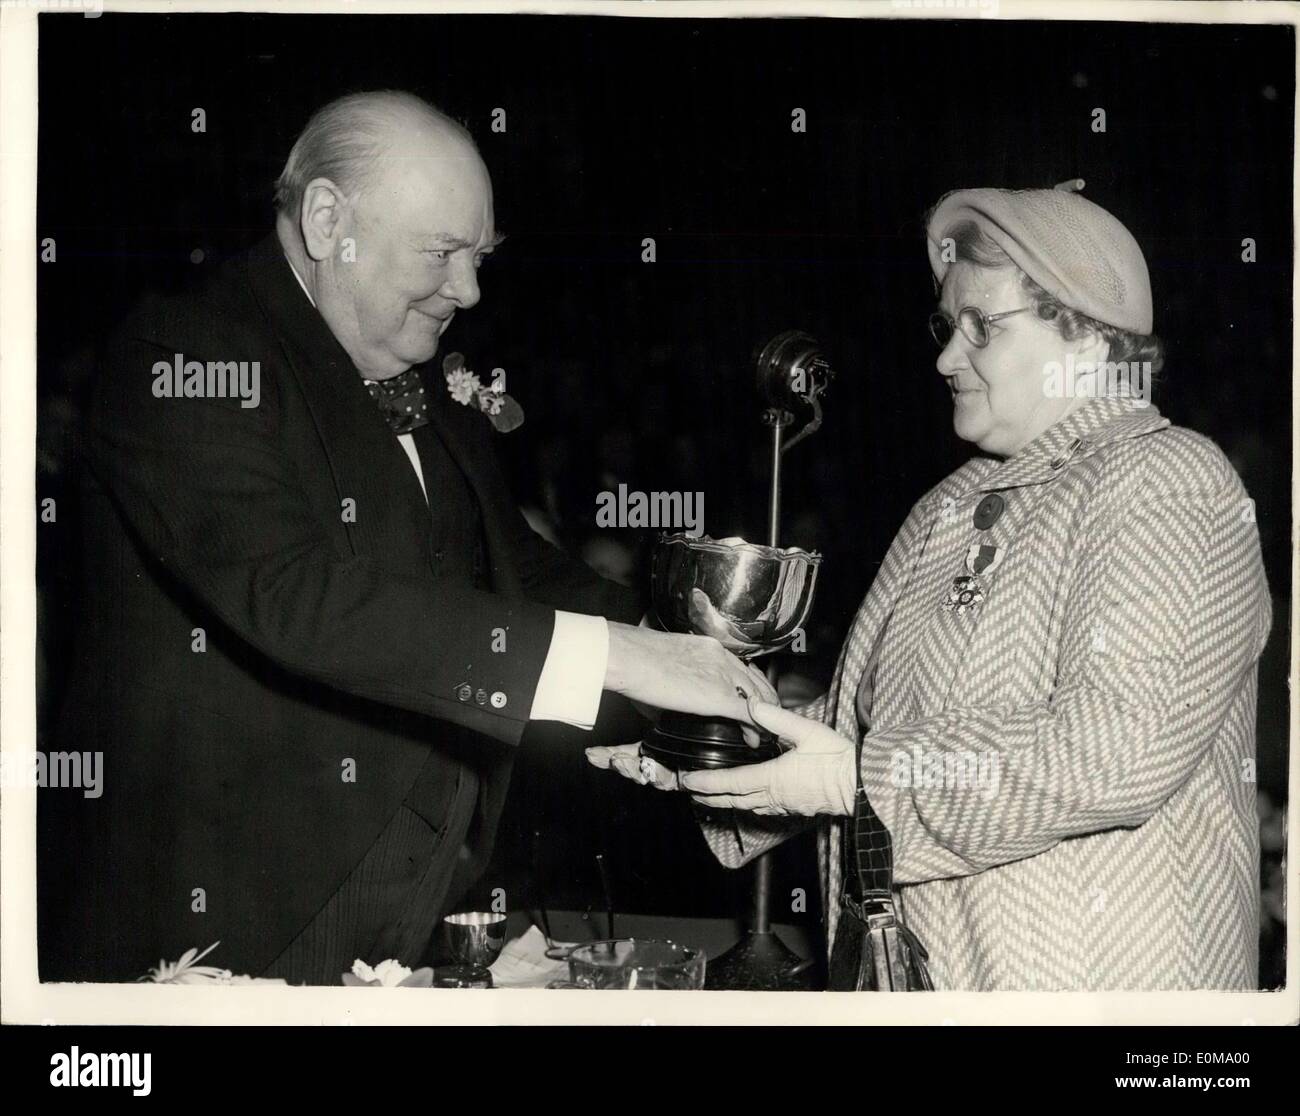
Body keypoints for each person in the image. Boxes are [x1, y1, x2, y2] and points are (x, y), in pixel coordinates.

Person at [39, 90, 769, 984]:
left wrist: (676, 652)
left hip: (413, 918)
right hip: (228, 927)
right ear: (324, 219)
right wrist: (618, 656)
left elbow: (513, 570)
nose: (467, 291)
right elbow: (299, 595)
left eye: (479, 258)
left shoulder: (419, 376)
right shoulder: (184, 352)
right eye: (441, 253)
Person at [591, 185, 1272, 990]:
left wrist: (861, 781)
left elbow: (1114, 749)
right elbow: (862, 727)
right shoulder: (949, 505)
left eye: (983, 326)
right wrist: (721, 747)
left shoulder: (1170, 481)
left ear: (1090, 341)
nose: (948, 357)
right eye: (948, 328)